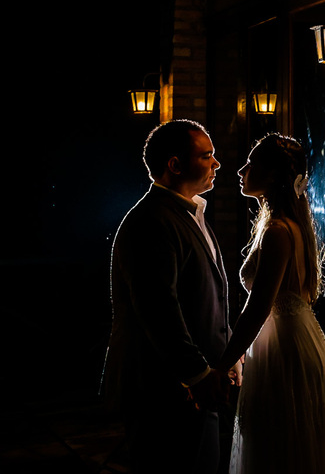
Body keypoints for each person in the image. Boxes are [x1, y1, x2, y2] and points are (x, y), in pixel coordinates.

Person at [103, 119, 233, 474]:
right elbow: (158, 308)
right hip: (163, 389)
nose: (216, 164)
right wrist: (197, 375)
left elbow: (209, 299)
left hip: (194, 386)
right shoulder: (152, 220)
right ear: (175, 165)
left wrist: (226, 355)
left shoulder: (191, 213)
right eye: (207, 156)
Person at [216, 134, 325, 474]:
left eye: (251, 164)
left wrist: (223, 363)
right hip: (290, 337)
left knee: (277, 446)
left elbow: (257, 308)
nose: (241, 170)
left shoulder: (278, 231)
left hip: (284, 349)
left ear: (271, 176)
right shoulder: (284, 226)